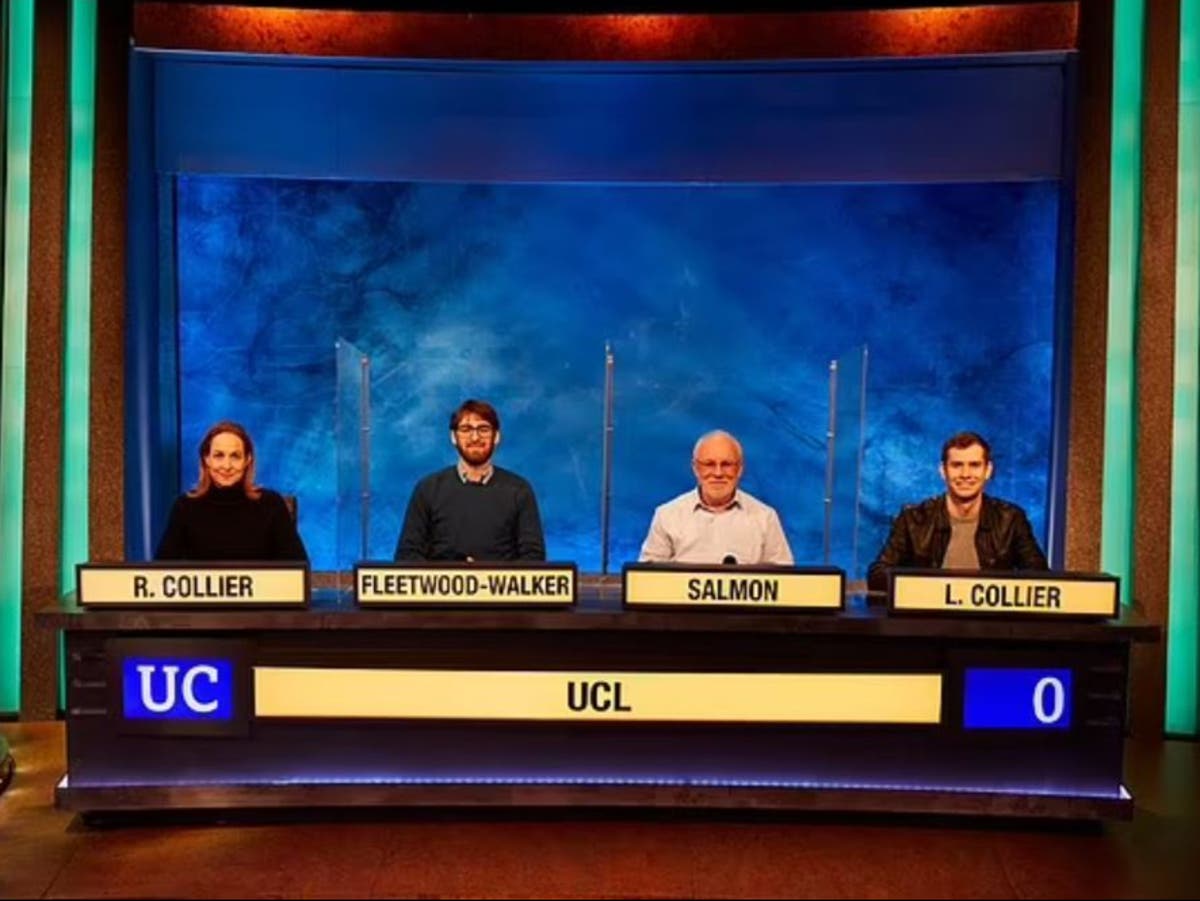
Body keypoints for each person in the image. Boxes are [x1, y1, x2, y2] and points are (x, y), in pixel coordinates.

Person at [866, 430, 1047, 590]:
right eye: (957, 465)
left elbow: (1040, 576)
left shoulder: (1011, 518)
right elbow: (877, 576)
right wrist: (933, 590)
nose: (965, 474)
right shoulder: (913, 518)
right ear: (943, 471)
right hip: (927, 623)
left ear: (988, 470)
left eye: (974, 465)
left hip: (990, 625)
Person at [394, 399, 545, 561]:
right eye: (466, 429)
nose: (475, 437)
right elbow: (407, 555)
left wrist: (485, 579)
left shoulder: (519, 490)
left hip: (499, 586)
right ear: (453, 437)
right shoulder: (428, 489)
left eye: (484, 429)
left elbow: (533, 558)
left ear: (497, 437)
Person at [155, 420, 308, 561]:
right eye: (218, 456)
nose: (226, 466)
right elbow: (161, 572)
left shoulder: (271, 504)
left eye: (235, 456)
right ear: (206, 459)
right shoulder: (185, 506)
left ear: (247, 460)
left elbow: (298, 570)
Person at [639, 430, 793, 565]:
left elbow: (785, 581)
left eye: (726, 464)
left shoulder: (765, 518)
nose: (718, 473)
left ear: (739, 469)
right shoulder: (667, 516)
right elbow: (646, 580)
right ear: (695, 468)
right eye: (709, 464)